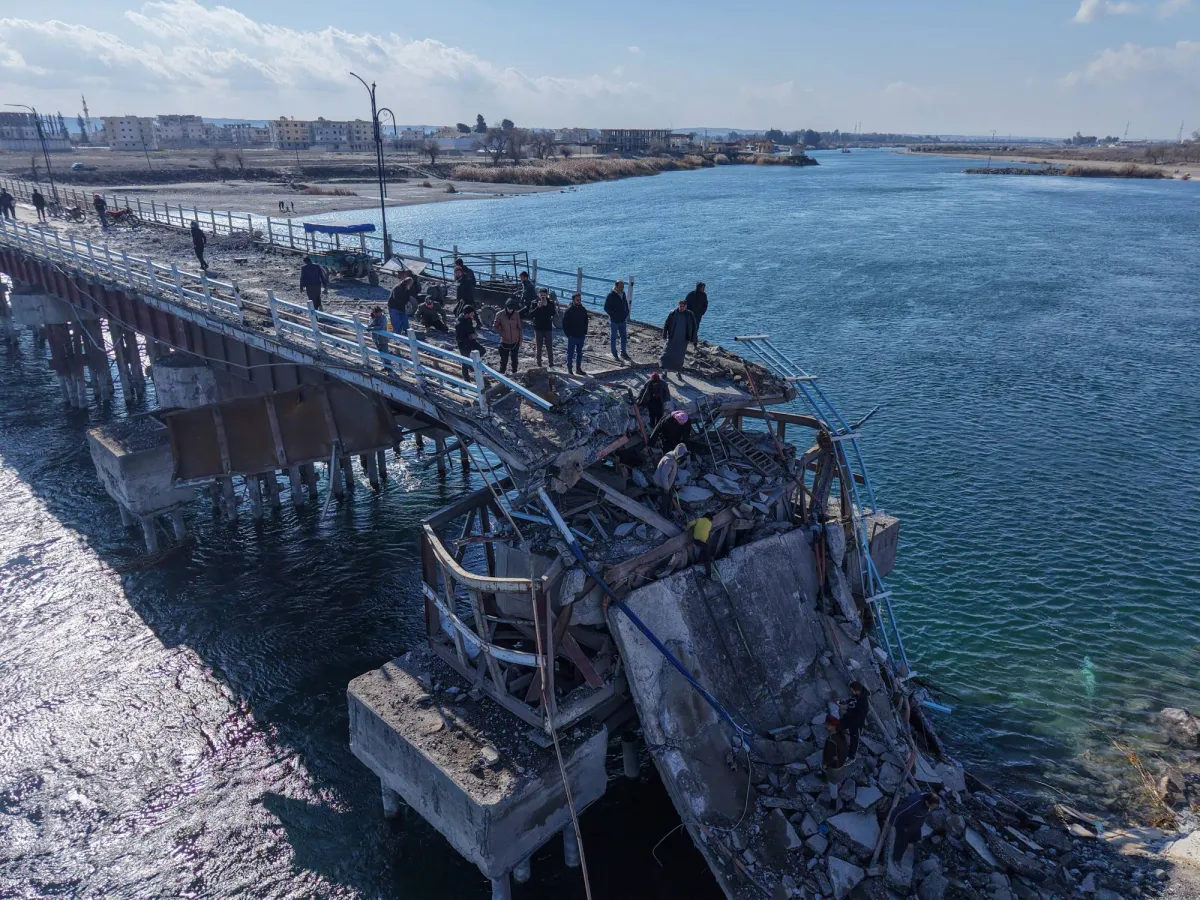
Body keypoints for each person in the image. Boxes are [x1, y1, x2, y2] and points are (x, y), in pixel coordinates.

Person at [889, 792, 940, 867]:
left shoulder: (928, 800)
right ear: (927, 802)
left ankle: (912, 842)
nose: (934, 808)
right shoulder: (914, 803)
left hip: (915, 823)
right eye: (933, 806)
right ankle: (896, 859)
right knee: (902, 841)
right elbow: (898, 811)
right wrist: (892, 824)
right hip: (904, 824)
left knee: (916, 837)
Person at [661, 298, 699, 374]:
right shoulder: (673, 313)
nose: (681, 308)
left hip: (683, 340)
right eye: (680, 306)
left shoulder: (690, 315)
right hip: (672, 338)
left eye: (683, 306)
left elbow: (694, 327)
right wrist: (664, 334)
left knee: (679, 357)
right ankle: (665, 371)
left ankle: (678, 372)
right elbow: (666, 324)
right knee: (666, 354)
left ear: (686, 306)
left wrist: (694, 339)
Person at [821, 715, 849, 807]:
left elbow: (832, 757)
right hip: (841, 765)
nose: (825, 726)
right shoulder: (841, 736)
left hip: (834, 768)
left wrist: (826, 765)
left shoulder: (831, 740)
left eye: (827, 724)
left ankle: (833, 804)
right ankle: (824, 776)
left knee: (833, 784)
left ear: (832, 726)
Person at [838, 681, 870, 762]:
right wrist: (844, 702)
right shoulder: (857, 695)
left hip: (856, 723)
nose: (851, 691)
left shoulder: (864, 703)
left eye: (852, 690)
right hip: (848, 718)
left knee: (854, 740)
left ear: (856, 690)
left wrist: (848, 708)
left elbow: (860, 716)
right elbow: (852, 700)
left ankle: (852, 756)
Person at [654, 443, 688, 516]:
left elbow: (673, 469)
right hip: (661, 482)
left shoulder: (673, 455)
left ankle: (670, 509)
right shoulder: (669, 461)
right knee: (666, 498)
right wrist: (666, 488)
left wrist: (673, 479)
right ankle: (665, 514)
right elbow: (664, 476)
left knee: (670, 496)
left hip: (666, 481)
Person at [562, 292, 589, 376]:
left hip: (581, 335)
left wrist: (585, 332)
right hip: (572, 336)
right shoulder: (569, 310)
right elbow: (564, 323)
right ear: (573, 300)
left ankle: (578, 368)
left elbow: (586, 321)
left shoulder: (583, 309)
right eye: (577, 300)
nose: (579, 301)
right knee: (570, 353)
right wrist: (568, 334)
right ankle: (569, 369)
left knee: (580, 353)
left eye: (580, 299)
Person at [455, 306, 486, 380]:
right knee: (465, 362)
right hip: (463, 344)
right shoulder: (460, 322)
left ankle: (472, 363)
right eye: (472, 313)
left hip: (471, 342)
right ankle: (466, 379)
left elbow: (471, 329)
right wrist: (470, 337)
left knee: (482, 350)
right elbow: (459, 338)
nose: (473, 314)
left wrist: (474, 334)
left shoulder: (469, 319)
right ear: (467, 313)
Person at [604, 279, 631, 361]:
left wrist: (626, 313)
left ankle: (623, 352)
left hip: (622, 320)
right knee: (613, 337)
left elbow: (625, 304)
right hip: (614, 321)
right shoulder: (610, 295)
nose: (622, 288)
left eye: (623, 287)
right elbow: (606, 308)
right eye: (621, 287)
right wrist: (613, 315)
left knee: (624, 337)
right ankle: (614, 353)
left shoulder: (623, 294)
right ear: (616, 286)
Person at [494, 298, 523, 375]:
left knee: (515, 359)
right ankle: (502, 374)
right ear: (506, 306)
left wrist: (520, 340)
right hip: (504, 342)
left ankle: (515, 373)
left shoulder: (516, 314)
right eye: (509, 308)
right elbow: (495, 327)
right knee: (504, 360)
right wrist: (502, 334)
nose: (510, 310)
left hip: (515, 341)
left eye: (512, 308)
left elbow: (519, 328)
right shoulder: (499, 315)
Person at [531, 288, 557, 368]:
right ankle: (539, 363)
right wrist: (537, 307)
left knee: (549, 346)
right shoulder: (534, 302)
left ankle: (551, 363)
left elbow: (553, 313)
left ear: (547, 295)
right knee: (539, 346)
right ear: (539, 295)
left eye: (544, 295)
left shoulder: (551, 303)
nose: (542, 297)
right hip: (538, 328)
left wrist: (547, 306)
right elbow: (531, 314)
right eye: (541, 295)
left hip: (547, 327)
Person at [388, 270, 416, 335]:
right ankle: (397, 335)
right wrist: (406, 302)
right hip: (394, 307)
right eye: (410, 284)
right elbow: (396, 298)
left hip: (402, 307)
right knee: (396, 323)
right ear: (406, 283)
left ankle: (407, 332)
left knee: (405, 321)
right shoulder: (397, 288)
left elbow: (408, 296)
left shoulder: (407, 288)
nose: (411, 285)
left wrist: (408, 302)